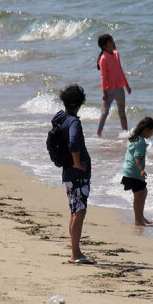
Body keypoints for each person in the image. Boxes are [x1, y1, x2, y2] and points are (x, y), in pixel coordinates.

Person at [52, 84, 94, 264]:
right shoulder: (74, 121)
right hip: (76, 173)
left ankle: (75, 251)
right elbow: (73, 142)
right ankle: (75, 253)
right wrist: (78, 164)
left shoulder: (61, 119)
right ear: (80, 102)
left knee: (74, 211)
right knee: (79, 211)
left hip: (68, 172)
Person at [121, 117, 153, 226]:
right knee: (139, 195)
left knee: (143, 192)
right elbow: (137, 158)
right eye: (152, 132)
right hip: (134, 172)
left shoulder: (135, 138)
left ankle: (141, 217)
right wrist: (142, 170)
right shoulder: (141, 142)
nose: (152, 134)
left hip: (129, 171)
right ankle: (138, 220)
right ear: (146, 130)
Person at [95, 34, 131, 137]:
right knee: (105, 113)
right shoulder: (103, 59)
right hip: (109, 91)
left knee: (122, 114)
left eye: (112, 40)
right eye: (110, 41)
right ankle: (98, 134)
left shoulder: (116, 54)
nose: (113, 42)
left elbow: (120, 70)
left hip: (120, 89)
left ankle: (126, 134)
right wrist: (104, 92)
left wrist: (126, 86)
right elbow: (104, 77)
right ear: (104, 47)